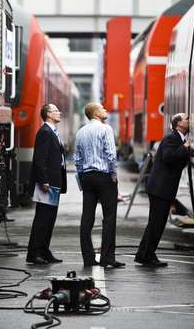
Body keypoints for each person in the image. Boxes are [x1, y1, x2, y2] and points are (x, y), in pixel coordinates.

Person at [135, 113, 190, 268]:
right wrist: (185, 147)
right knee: (157, 223)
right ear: (179, 124)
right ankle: (148, 255)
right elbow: (168, 157)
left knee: (155, 222)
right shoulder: (171, 139)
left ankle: (144, 254)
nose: (188, 120)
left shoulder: (178, 139)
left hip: (162, 188)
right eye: (186, 119)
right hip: (160, 188)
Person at [75, 103, 125, 268]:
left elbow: (78, 158)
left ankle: (88, 259)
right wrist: (113, 175)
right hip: (104, 177)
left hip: (87, 177)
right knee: (109, 217)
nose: (105, 110)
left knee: (87, 218)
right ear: (95, 113)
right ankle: (107, 258)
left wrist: (82, 178)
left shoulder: (81, 131)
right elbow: (111, 154)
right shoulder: (106, 129)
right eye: (102, 108)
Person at [26, 104, 67, 265]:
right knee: (42, 219)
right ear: (48, 114)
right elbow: (39, 159)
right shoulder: (44, 132)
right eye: (56, 110)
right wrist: (43, 180)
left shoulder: (52, 132)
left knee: (50, 219)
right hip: (47, 184)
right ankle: (34, 253)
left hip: (54, 183)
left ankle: (44, 250)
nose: (59, 112)